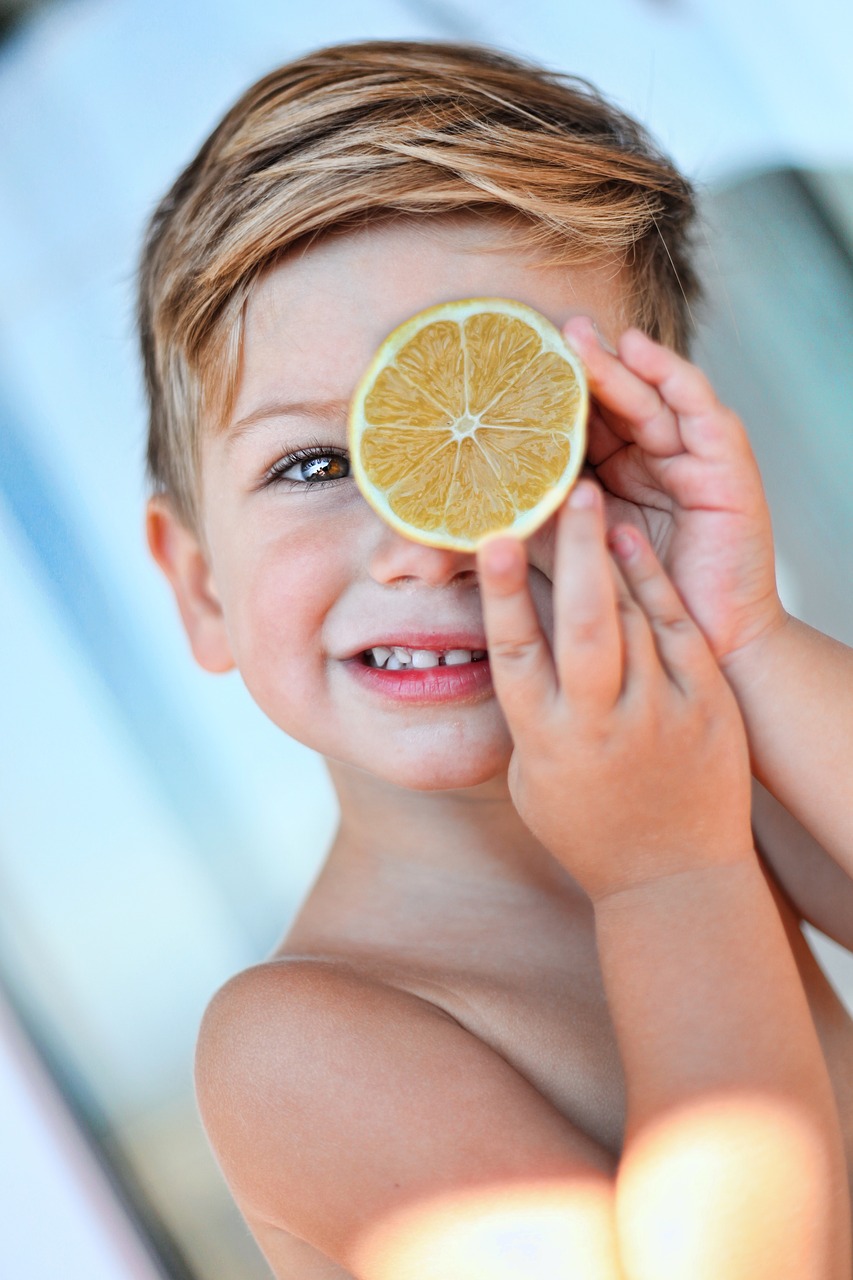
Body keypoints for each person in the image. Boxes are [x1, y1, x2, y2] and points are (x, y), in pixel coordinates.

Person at [139, 40, 853, 1280]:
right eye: (315, 465)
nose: (429, 542)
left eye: (533, 439)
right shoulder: (300, 1045)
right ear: (201, 584)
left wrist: (745, 636)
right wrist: (667, 880)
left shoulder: (723, 778)